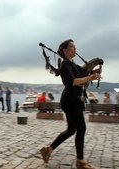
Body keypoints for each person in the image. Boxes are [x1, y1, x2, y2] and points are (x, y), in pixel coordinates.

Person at [40, 39, 101, 169]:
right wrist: (90, 78)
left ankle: (48, 150)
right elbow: (73, 81)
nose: (75, 49)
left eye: (75, 46)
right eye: (72, 47)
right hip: (70, 101)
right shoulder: (65, 65)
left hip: (73, 100)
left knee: (71, 130)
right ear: (65, 50)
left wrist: (94, 72)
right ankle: (80, 161)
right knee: (81, 128)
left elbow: (84, 72)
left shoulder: (73, 65)